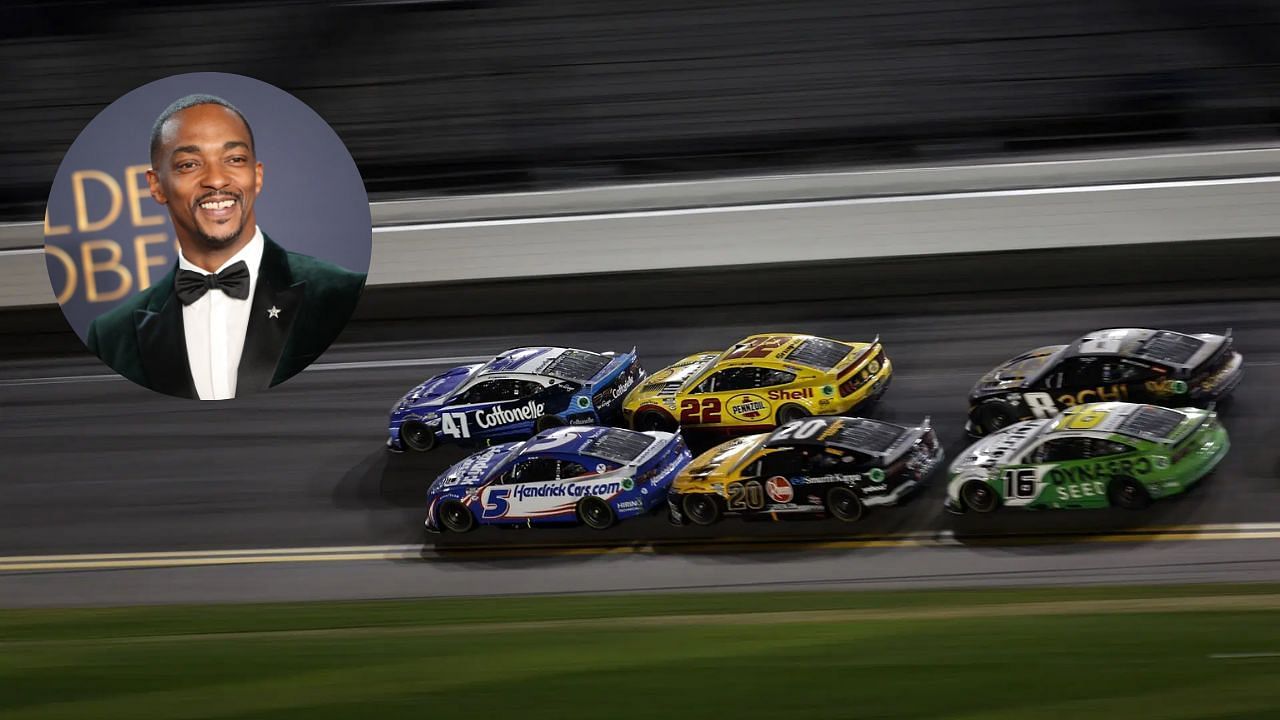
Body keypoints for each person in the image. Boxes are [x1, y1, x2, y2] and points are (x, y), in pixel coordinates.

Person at [86, 94, 366, 400]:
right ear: (156, 186)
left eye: (234, 160)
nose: (217, 180)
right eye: (189, 164)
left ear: (256, 176)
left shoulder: (341, 294)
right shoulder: (112, 336)